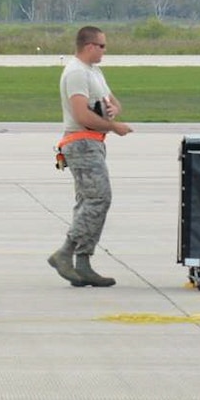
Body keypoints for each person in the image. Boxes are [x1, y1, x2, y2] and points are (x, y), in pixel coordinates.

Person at [51, 25, 132, 288]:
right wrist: (113, 126)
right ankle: (65, 252)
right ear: (88, 46)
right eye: (101, 46)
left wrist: (112, 109)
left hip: (94, 143)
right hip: (82, 143)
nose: (105, 51)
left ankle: (82, 263)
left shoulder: (94, 72)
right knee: (99, 198)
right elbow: (81, 115)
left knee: (88, 202)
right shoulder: (76, 73)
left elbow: (114, 102)